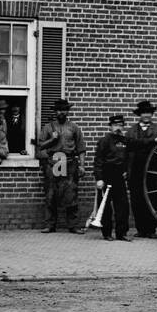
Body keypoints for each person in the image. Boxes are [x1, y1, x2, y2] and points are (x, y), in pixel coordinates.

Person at [35, 98, 86, 233]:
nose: (61, 112)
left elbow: (81, 148)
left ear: (67, 111)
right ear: (55, 112)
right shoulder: (48, 128)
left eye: (64, 110)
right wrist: (52, 139)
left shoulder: (74, 128)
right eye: (58, 110)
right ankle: (50, 224)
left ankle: (73, 225)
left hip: (69, 163)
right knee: (51, 194)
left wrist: (82, 165)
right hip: (53, 162)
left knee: (71, 194)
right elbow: (40, 146)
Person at [125, 100, 157, 238]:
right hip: (136, 169)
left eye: (149, 113)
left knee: (153, 198)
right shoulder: (131, 131)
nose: (146, 116)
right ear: (139, 115)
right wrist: (152, 142)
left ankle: (151, 230)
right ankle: (141, 229)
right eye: (144, 113)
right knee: (137, 199)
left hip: (152, 168)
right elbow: (131, 146)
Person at [93, 113, 131, 241]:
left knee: (123, 206)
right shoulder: (104, 141)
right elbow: (98, 160)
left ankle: (121, 233)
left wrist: (126, 171)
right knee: (105, 207)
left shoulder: (125, 141)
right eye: (115, 125)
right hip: (106, 175)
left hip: (119, 176)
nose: (118, 128)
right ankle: (107, 233)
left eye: (120, 125)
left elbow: (128, 159)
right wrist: (99, 178)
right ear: (110, 127)